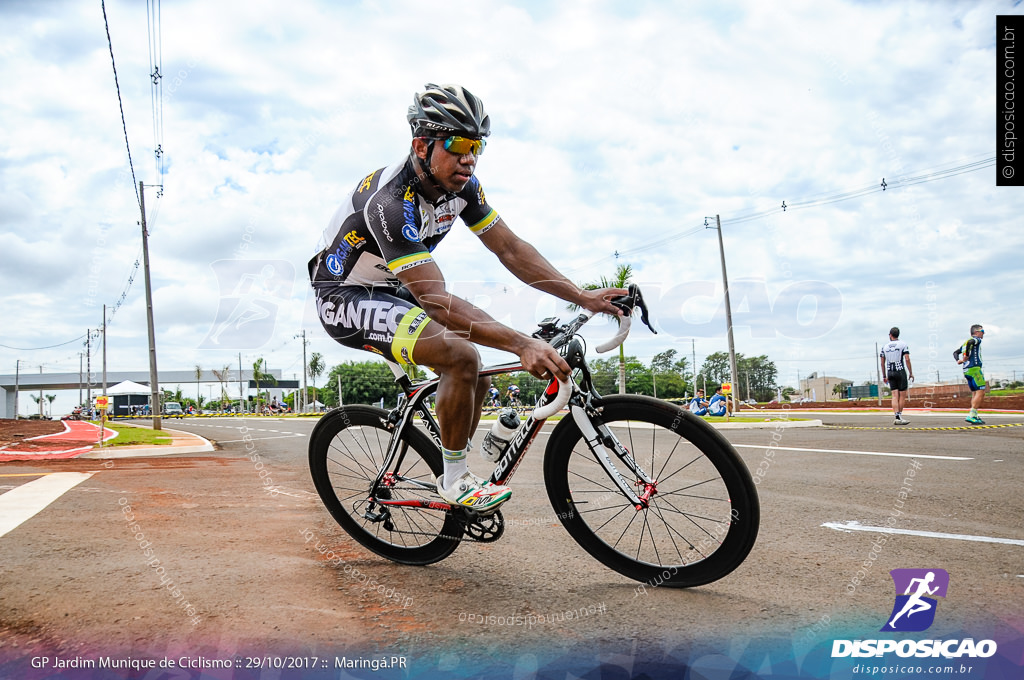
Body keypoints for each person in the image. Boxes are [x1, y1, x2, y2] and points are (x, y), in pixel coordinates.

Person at [309, 83, 625, 514]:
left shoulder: (463, 187)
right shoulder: (389, 204)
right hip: (343, 293)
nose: (469, 157)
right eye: (458, 144)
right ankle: (454, 479)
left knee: (479, 370)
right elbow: (437, 302)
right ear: (422, 145)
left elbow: (510, 249)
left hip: (392, 286)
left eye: (476, 146)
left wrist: (580, 296)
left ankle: (461, 452)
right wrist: (522, 343)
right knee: (461, 355)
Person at [880, 326, 914, 425]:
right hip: (900, 370)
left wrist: (884, 375)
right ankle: (899, 416)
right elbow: (907, 359)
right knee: (902, 395)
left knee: (894, 395)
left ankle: (896, 416)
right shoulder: (903, 344)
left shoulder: (885, 346)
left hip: (890, 371)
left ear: (890, 335)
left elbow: (882, 362)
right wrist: (911, 373)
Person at [955, 324, 986, 425]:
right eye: (982, 331)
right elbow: (972, 342)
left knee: (974, 393)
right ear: (976, 332)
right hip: (974, 369)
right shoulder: (976, 339)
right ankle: (972, 415)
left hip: (966, 370)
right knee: (981, 391)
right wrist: (966, 356)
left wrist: (958, 360)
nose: (983, 333)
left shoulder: (964, 343)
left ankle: (975, 415)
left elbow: (955, 352)